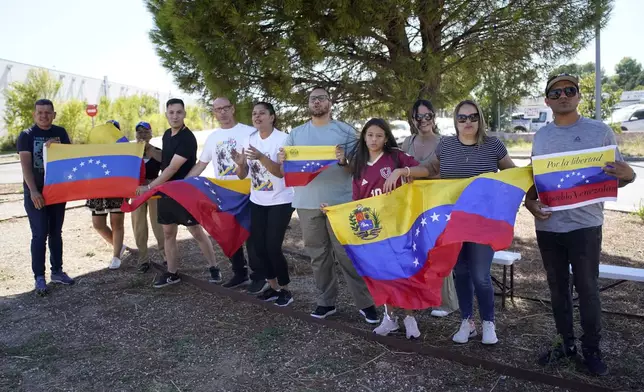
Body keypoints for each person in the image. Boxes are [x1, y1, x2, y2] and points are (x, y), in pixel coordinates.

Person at [525, 74, 636, 376]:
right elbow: (535, 181)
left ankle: (592, 350)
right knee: (558, 289)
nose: (563, 95)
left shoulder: (599, 131)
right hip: (549, 227)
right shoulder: (542, 137)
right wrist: (529, 203)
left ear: (578, 96)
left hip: (586, 226)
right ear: (547, 100)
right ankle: (565, 344)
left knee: (587, 290)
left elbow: (619, 177)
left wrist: (629, 175)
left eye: (569, 90)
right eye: (556, 92)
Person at [277, 86, 379, 324]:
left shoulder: (346, 132)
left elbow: (359, 168)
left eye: (322, 98)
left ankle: (366, 304)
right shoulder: (296, 134)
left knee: (347, 255)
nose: (317, 102)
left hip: (339, 204)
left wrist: (343, 161)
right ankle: (326, 302)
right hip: (307, 203)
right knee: (318, 256)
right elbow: (285, 171)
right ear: (308, 103)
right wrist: (282, 161)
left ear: (330, 103)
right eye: (313, 99)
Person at [424, 100, 516, 345]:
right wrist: (404, 173)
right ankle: (467, 321)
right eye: (462, 118)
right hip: (453, 222)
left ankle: (489, 323)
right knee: (461, 272)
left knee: (480, 275)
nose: (468, 122)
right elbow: (430, 169)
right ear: (455, 121)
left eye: (473, 117)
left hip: (483, 223)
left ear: (480, 119)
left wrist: (530, 197)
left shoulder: (493, 145)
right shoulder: (446, 145)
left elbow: (512, 176)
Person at [340, 118, 431, 338]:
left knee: (403, 272)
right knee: (382, 274)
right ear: (364, 136)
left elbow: (425, 170)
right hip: (375, 231)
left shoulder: (395, 156)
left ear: (386, 137)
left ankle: (409, 318)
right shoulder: (359, 163)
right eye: (370, 135)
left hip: (400, 226)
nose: (374, 139)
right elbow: (356, 203)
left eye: (379, 135)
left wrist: (401, 172)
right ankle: (389, 318)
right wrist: (335, 211)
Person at [137, 98, 221, 288]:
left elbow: (172, 169)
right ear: (166, 114)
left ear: (184, 114)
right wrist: (147, 149)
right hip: (167, 192)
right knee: (168, 232)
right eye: (171, 112)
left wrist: (150, 188)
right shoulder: (167, 135)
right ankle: (172, 273)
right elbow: (165, 160)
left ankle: (214, 267)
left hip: (184, 191)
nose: (175, 116)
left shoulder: (187, 138)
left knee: (196, 231)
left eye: (179, 112)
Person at [186, 97, 262, 292]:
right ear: (214, 113)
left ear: (233, 109)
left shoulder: (248, 132)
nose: (222, 112)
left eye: (226, 108)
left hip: (248, 192)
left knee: (251, 236)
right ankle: (239, 273)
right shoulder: (213, 138)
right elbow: (201, 164)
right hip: (224, 194)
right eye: (218, 109)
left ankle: (258, 276)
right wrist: (183, 183)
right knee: (230, 234)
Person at [231, 102, 295, 306]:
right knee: (259, 247)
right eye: (254, 114)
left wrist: (261, 156)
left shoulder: (283, 138)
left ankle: (286, 290)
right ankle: (273, 287)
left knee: (272, 247)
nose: (257, 117)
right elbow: (243, 175)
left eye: (262, 113)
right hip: (257, 200)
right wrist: (240, 164)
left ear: (272, 117)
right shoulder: (249, 139)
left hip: (281, 200)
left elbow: (281, 172)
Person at [402, 99, 459, 318]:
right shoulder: (407, 142)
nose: (424, 120)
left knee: (440, 251)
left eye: (428, 116)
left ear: (434, 117)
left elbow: (449, 172)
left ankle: (447, 301)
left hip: (438, 203)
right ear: (413, 119)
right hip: (413, 205)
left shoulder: (445, 142)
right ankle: (422, 296)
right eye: (419, 116)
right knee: (417, 251)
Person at [17, 99, 75, 295]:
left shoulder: (60, 133)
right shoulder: (26, 135)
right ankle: (39, 277)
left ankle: (57, 271)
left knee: (56, 232)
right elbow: (25, 165)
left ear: (54, 114)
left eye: (47, 112)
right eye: (40, 112)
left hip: (57, 190)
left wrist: (59, 148)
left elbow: (71, 158)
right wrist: (33, 191)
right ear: (34, 114)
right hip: (37, 191)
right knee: (40, 233)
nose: (44, 116)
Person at [86, 120, 130, 270]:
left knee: (116, 223)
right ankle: (120, 246)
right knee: (98, 224)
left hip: (118, 189)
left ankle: (116, 256)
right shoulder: (94, 148)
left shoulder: (125, 149)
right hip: (97, 190)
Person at [131, 121, 165, 273]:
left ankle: (166, 256)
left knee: (158, 224)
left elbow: (167, 167)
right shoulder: (131, 153)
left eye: (146, 132)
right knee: (139, 225)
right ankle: (143, 259)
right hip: (136, 190)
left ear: (151, 134)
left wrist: (150, 151)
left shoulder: (157, 151)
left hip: (153, 188)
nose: (142, 134)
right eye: (139, 132)